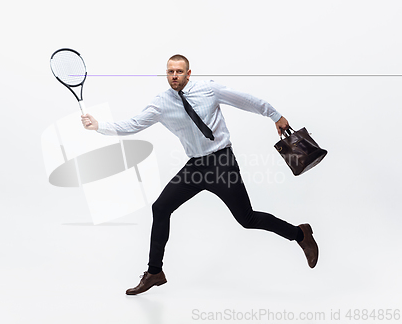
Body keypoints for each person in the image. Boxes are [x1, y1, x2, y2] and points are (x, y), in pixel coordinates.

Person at [80, 54, 319, 295]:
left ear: (188, 73)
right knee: (160, 208)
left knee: (247, 219)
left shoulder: (209, 90)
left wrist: (274, 114)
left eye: (179, 72)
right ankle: (155, 272)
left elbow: (246, 100)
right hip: (195, 167)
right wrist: (99, 126)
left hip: (221, 162)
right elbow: (133, 124)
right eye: (170, 72)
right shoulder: (161, 103)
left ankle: (300, 234)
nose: (174, 76)